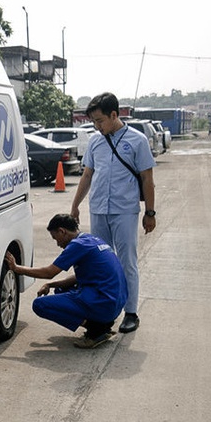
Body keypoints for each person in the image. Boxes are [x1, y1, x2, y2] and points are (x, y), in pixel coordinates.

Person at [70, 92, 155, 333]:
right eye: (93, 122)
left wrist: (150, 212)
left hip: (124, 211)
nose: (97, 126)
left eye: (100, 121)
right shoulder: (95, 141)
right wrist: (75, 205)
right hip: (98, 209)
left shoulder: (137, 141)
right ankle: (103, 314)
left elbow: (147, 178)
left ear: (114, 115)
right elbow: (87, 175)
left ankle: (131, 312)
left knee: (127, 261)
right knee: (99, 262)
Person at [5, 214, 128, 349]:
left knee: (40, 305)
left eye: (55, 238)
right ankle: (103, 322)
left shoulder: (77, 245)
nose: (58, 244)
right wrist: (50, 285)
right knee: (60, 290)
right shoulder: (91, 239)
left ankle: (97, 329)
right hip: (115, 304)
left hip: (105, 303)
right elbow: (80, 277)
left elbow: (49, 272)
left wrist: (17, 268)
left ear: (62, 231)